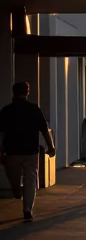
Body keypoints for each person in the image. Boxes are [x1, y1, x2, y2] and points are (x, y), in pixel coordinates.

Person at [0, 80, 57, 222]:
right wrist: (51, 146)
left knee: (13, 175)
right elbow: (44, 129)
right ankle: (27, 208)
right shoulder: (33, 109)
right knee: (30, 178)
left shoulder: (6, 110)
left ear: (14, 92)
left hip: (11, 151)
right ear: (27, 92)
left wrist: (0, 151)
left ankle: (16, 190)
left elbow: (0, 133)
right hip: (30, 151)